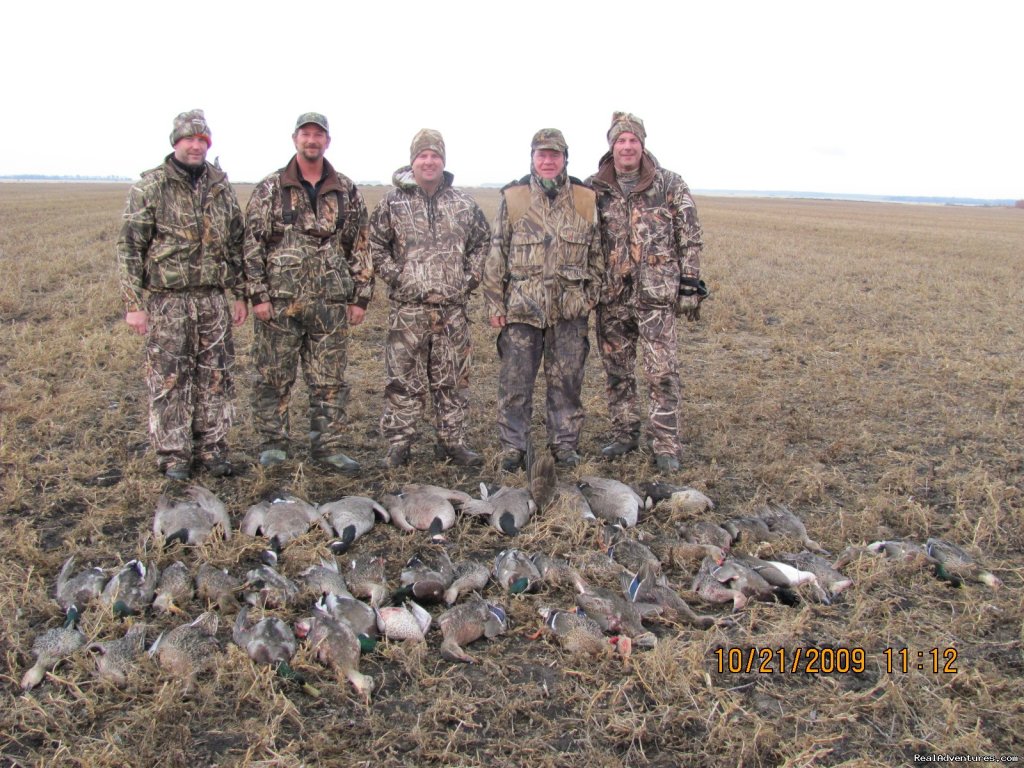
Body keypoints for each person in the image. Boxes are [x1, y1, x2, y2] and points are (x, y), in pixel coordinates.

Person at [117, 109, 247, 481]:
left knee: (216, 377)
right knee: (170, 379)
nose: (195, 145)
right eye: (188, 139)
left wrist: (239, 294)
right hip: (167, 299)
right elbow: (129, 248)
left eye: (202, 140)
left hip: (211, 299)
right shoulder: (151, 187)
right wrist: (133, 305)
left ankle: (212, 449)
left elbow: (236, 244)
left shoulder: (220, 187)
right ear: (175, 142)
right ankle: (174, 455)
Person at [244, 112, 373, 475]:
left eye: (318, 134)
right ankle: (273, 445)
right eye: (306, 134)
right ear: (295, 139)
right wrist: (258, 295)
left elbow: (359, 246)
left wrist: (359, 297)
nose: (312, 140)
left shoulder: (346, 190)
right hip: (281, 303)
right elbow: (251, 245)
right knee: (273, 376)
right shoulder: (271, 188)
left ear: (327, 141)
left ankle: (328, 447)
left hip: (331, 304)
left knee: (329, 379)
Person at [588, 112, 706, 474]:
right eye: (621, 140)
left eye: (633, 140)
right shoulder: (595, 189)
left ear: (642, 144)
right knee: (617, 372)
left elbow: (690, 236)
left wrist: (689, 284)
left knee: (662, 373)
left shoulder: (669, 184)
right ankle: (624, 433)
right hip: (611, 298)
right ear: (612, 145)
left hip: (657, 298)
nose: (627, 146)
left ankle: (666, 444)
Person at [482, 129, 603, 472]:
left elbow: (598, 258)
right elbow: (496, 255)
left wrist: (587, 299)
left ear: (566, 158)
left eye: (555, 155)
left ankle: (564, 445)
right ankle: (512, 446)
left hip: (569, 314)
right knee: (515, 383)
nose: (548, 161)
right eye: (541, 154)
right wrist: (494, 305)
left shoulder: (584, 199)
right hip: (522, 311)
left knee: (566, 384)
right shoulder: (514, 198)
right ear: (532, 158)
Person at [368, 129, 490, 469]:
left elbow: (482, 243)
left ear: (443, 160)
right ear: (413, 160)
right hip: (409, 310)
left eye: (435, 155)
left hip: (452, 310)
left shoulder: (463, 204)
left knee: (452, 378)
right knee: (403, 379)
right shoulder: (392, 203)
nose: (429, 161)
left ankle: (452, 442)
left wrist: (469, 279)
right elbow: (375, 245)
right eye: (423, 155)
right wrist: (398, 275)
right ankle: (399, 444)